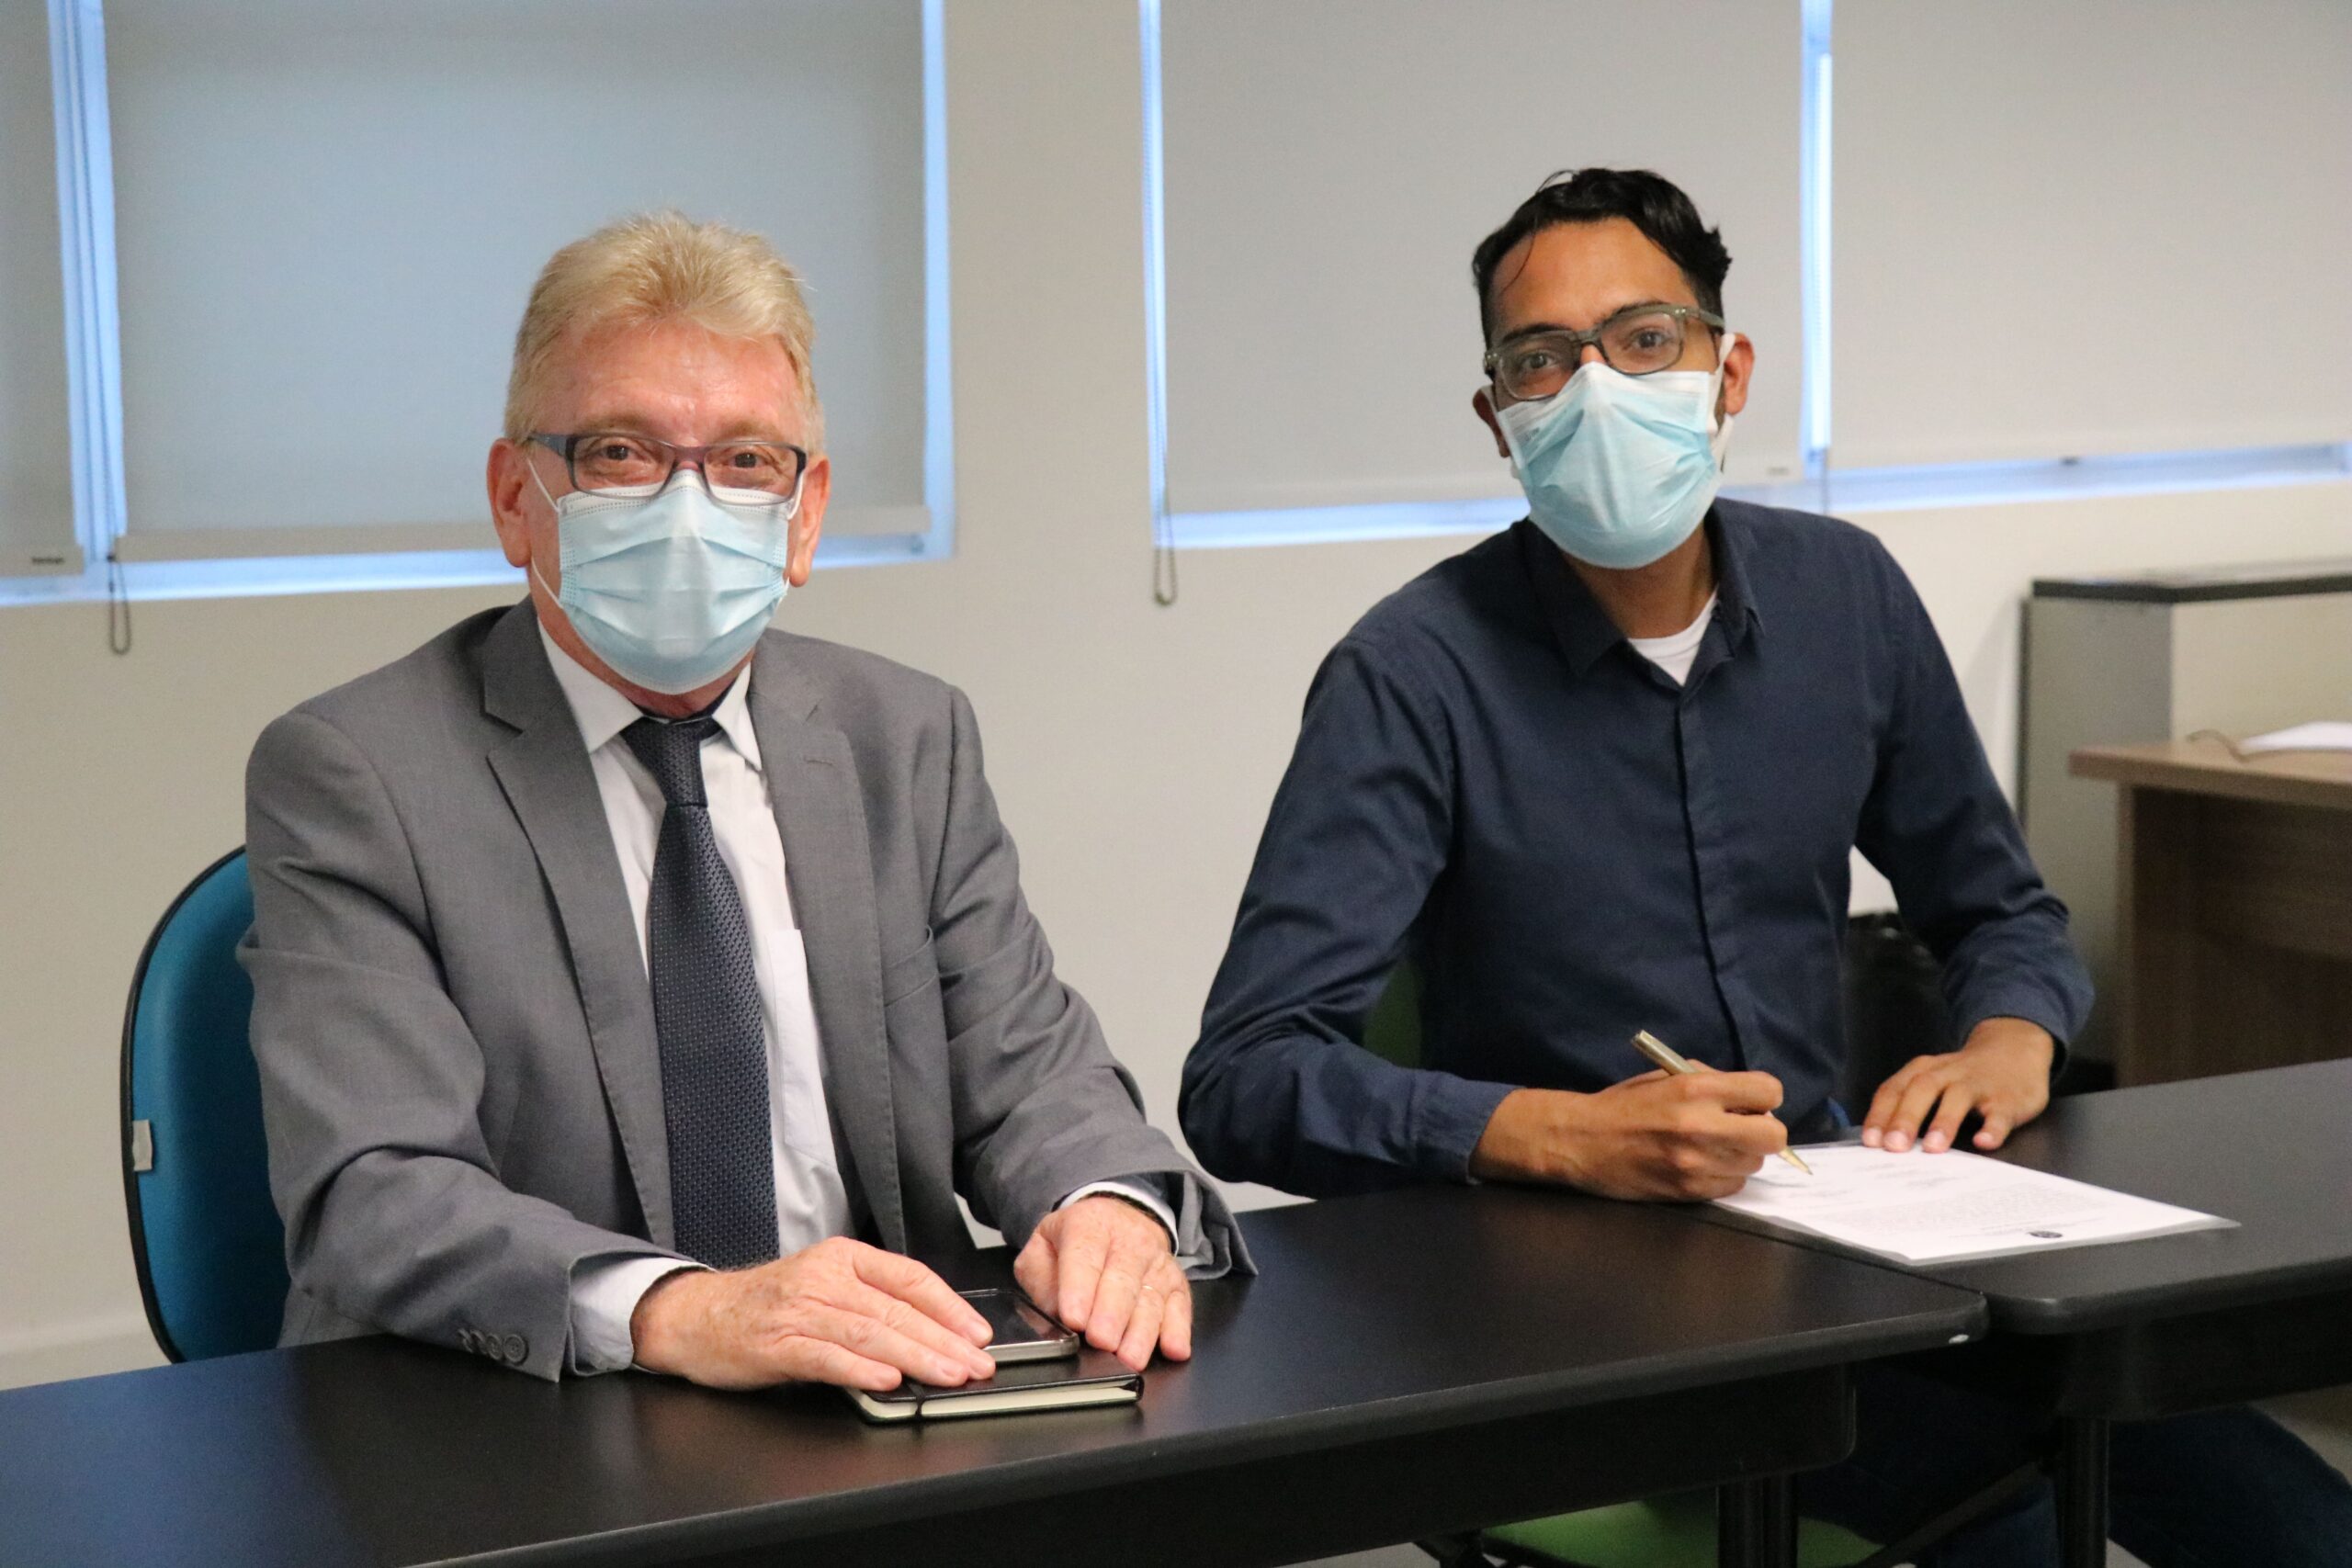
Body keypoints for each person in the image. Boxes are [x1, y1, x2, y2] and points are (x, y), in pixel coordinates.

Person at [1179, 168, 2351, 1565]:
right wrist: (1562, 1132)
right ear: (1500, 419)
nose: (1595, 386)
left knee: (2278, 1508)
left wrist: (2012, 1033)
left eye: (1645, 338)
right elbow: (1245, 1074)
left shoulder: (1843, 597)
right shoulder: (1412, 673)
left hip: (1858, 1240)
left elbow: (2001, 908)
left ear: (1727, 370)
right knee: (2020, 1517)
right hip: (1577, 1293)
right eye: (1541, 359)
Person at [244, 211, 1244, 1393]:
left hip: (882, 1399)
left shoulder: (904, 737)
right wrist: (679, 1309)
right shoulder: (356, 771)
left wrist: (1104, 1204)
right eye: (619, 453)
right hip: (530, 1420)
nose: (687, 505)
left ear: (805, 512)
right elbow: (375, 1187)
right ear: (517, 499)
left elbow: (1029, 1071)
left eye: (743, 462)